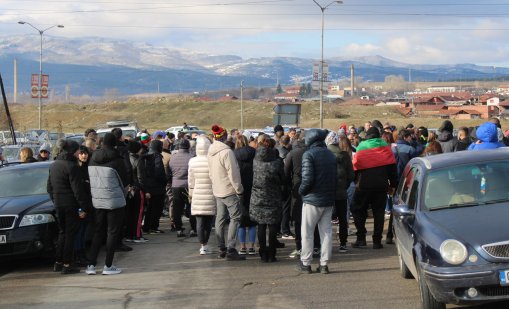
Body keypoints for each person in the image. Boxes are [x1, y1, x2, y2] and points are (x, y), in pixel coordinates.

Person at [86, 133, 129, 275]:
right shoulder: (117, 160)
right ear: (115, 143)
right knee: (112, 232)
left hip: (97, 200)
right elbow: (125, 180)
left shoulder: (93, 158)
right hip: (114, 200)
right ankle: (108, 266)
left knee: (98, 232)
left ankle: (91, 265)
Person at [47, 139, 92, 274]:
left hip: (58, 204)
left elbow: (49, 188)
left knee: (63, 233)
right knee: (70, 235)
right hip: (70, 205)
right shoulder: (72, 167)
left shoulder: (54, 165)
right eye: (78, 150)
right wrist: (85, 207)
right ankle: (67, 264)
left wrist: (55, 200)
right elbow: (78, 191)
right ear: (73, 151)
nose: (79, 152)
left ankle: (58, 262)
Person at [296, 129, 337, 275]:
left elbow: (307, 179)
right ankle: (324, 264)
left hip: (312, 199)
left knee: (307, 232)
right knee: (326, 232)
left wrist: (300, 191)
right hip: (328, 199)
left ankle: (306, 263)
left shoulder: (309, 154)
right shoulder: (330, 154)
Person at [351, 127, 398, 250]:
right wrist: (393, 185)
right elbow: (392, 170)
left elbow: (355, 167)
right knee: (379, 213)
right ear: (378, 136)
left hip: (363, 185)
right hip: (381, 186)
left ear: (367, 136)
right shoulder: (386, 148)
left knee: (357, 209)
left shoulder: (361, 147)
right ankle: (377, 241)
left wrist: (355, 180)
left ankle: (361, 238)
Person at [207, 124, 245, 261]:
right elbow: (233, 173)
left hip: (217, 189)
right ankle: (231, 249)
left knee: (220, 219)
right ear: (224, 136)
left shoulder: (210, 151)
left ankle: (221, 247)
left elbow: (210, 172)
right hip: (229, 190)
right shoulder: (227, 152)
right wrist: (239, 189)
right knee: (235, 218)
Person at [250, 134, 285, 262]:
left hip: (257, 197)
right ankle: (272, 253)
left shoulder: (254, 161)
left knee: (261, 225)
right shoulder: (277, 163)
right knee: (272, 225)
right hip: (273, 197)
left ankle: (263, 252)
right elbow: (283, 179)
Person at [325, 131, 354, 253]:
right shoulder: (345, 156)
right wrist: (345, 185)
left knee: (325, 219)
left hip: (327, 192)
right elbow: (351, 175)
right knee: (342, 218)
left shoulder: (325, 154)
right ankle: (343, 244)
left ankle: (325, 245)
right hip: (342, 191)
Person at [188, 136, 216, 255]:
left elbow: (190, 180)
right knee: (208, 222)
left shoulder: (192, 161)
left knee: (199, 221)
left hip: (197, 193)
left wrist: (191, 193)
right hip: (210, 193)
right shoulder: (212, 160)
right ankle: (206, 243)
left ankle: (202, 245)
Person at [234, 135, 257, 255]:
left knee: (241, 220)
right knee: (253, 220)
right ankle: (252, 246)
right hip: (253, 188)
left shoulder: (234, 154)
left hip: (240, 188)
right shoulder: (254, 152)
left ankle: (242, 246)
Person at [285, 132, 306, 259]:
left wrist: (289, 185)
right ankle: (314, 245)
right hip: (311, 188)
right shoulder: (311, 152)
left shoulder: (292, 153)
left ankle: (299, 246)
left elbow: (286, 172)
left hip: (297, 186)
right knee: (311, 219)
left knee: (298, 219)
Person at [169, 139, 195, 237]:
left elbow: (170, 171)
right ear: (188, 146)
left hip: (176, 185)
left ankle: (179, 229)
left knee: (177, 208)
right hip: (188, 185)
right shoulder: (191, 157)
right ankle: (193, 228)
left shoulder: (173, 158)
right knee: (191, 207)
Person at [143, 139, 168, 234]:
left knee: (150, 208)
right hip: (157, 187)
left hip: (149, 186)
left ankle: (147, 227)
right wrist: (165, 180)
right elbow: (159, 172)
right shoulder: (156, 156)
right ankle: (153, 227)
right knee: (156, 208)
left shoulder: (146, 155)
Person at [126, 140, 148, 243]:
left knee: (130, 213)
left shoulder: (126, 158)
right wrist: (145, 190)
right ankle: (137, 235)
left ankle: (129, 234)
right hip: (138, 189)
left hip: (129, 189)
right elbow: (141, 178)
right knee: (139, 213)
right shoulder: (138, 161)